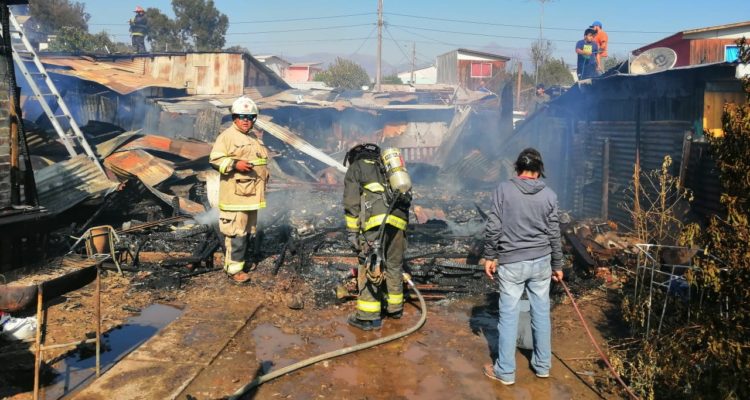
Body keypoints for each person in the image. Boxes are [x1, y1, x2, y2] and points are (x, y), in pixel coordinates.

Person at [481, 148, 564, 386]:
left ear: (517, 169)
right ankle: (542, 365)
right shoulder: (549, 195)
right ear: (538, 172)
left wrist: (489, 255)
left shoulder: (503, 190)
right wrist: (557, 264)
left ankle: (505, 372)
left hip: (512, 262)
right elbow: (554, 234)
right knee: (540, 312)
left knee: (508, 315)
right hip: (541, 263)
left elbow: (494, 226)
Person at [343, 143, 411, 331]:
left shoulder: (357, 168)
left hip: (375, 224)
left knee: (370, 264)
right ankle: (394, 308)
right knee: (394, 263)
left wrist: (352, 232)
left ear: (354, 157)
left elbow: (351, 202)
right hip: (399, 221)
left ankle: (367, 317)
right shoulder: (386, 168)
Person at [209, 96, 269, 284]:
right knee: (236, 233)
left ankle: (240, 262)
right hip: (235, 197)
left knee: (246, 231)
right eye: (242, 116)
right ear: (234, 117)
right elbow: (215, 159)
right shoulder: (227, 137)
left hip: (250, 196)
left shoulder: (251, 137)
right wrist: (235, 164)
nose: (246, 120)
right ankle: (234, 270)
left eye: (250, 117)